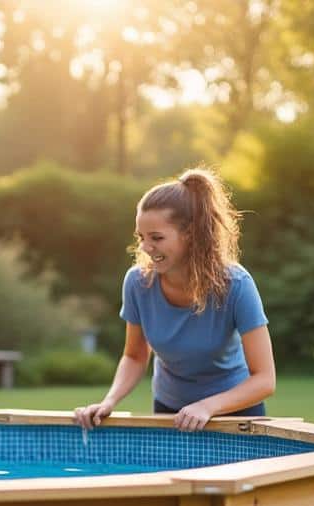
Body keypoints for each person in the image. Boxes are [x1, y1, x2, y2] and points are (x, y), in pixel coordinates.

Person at [74, 168, 276, 432]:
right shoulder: (138, 282)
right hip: (171, 410)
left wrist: (207, 406)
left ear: (190, 234)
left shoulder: (236, 285)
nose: (145, 248)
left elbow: (264, 379)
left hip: (235, 411)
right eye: (141, 237)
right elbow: (135, 356)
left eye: (156, 238)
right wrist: (109, 401)